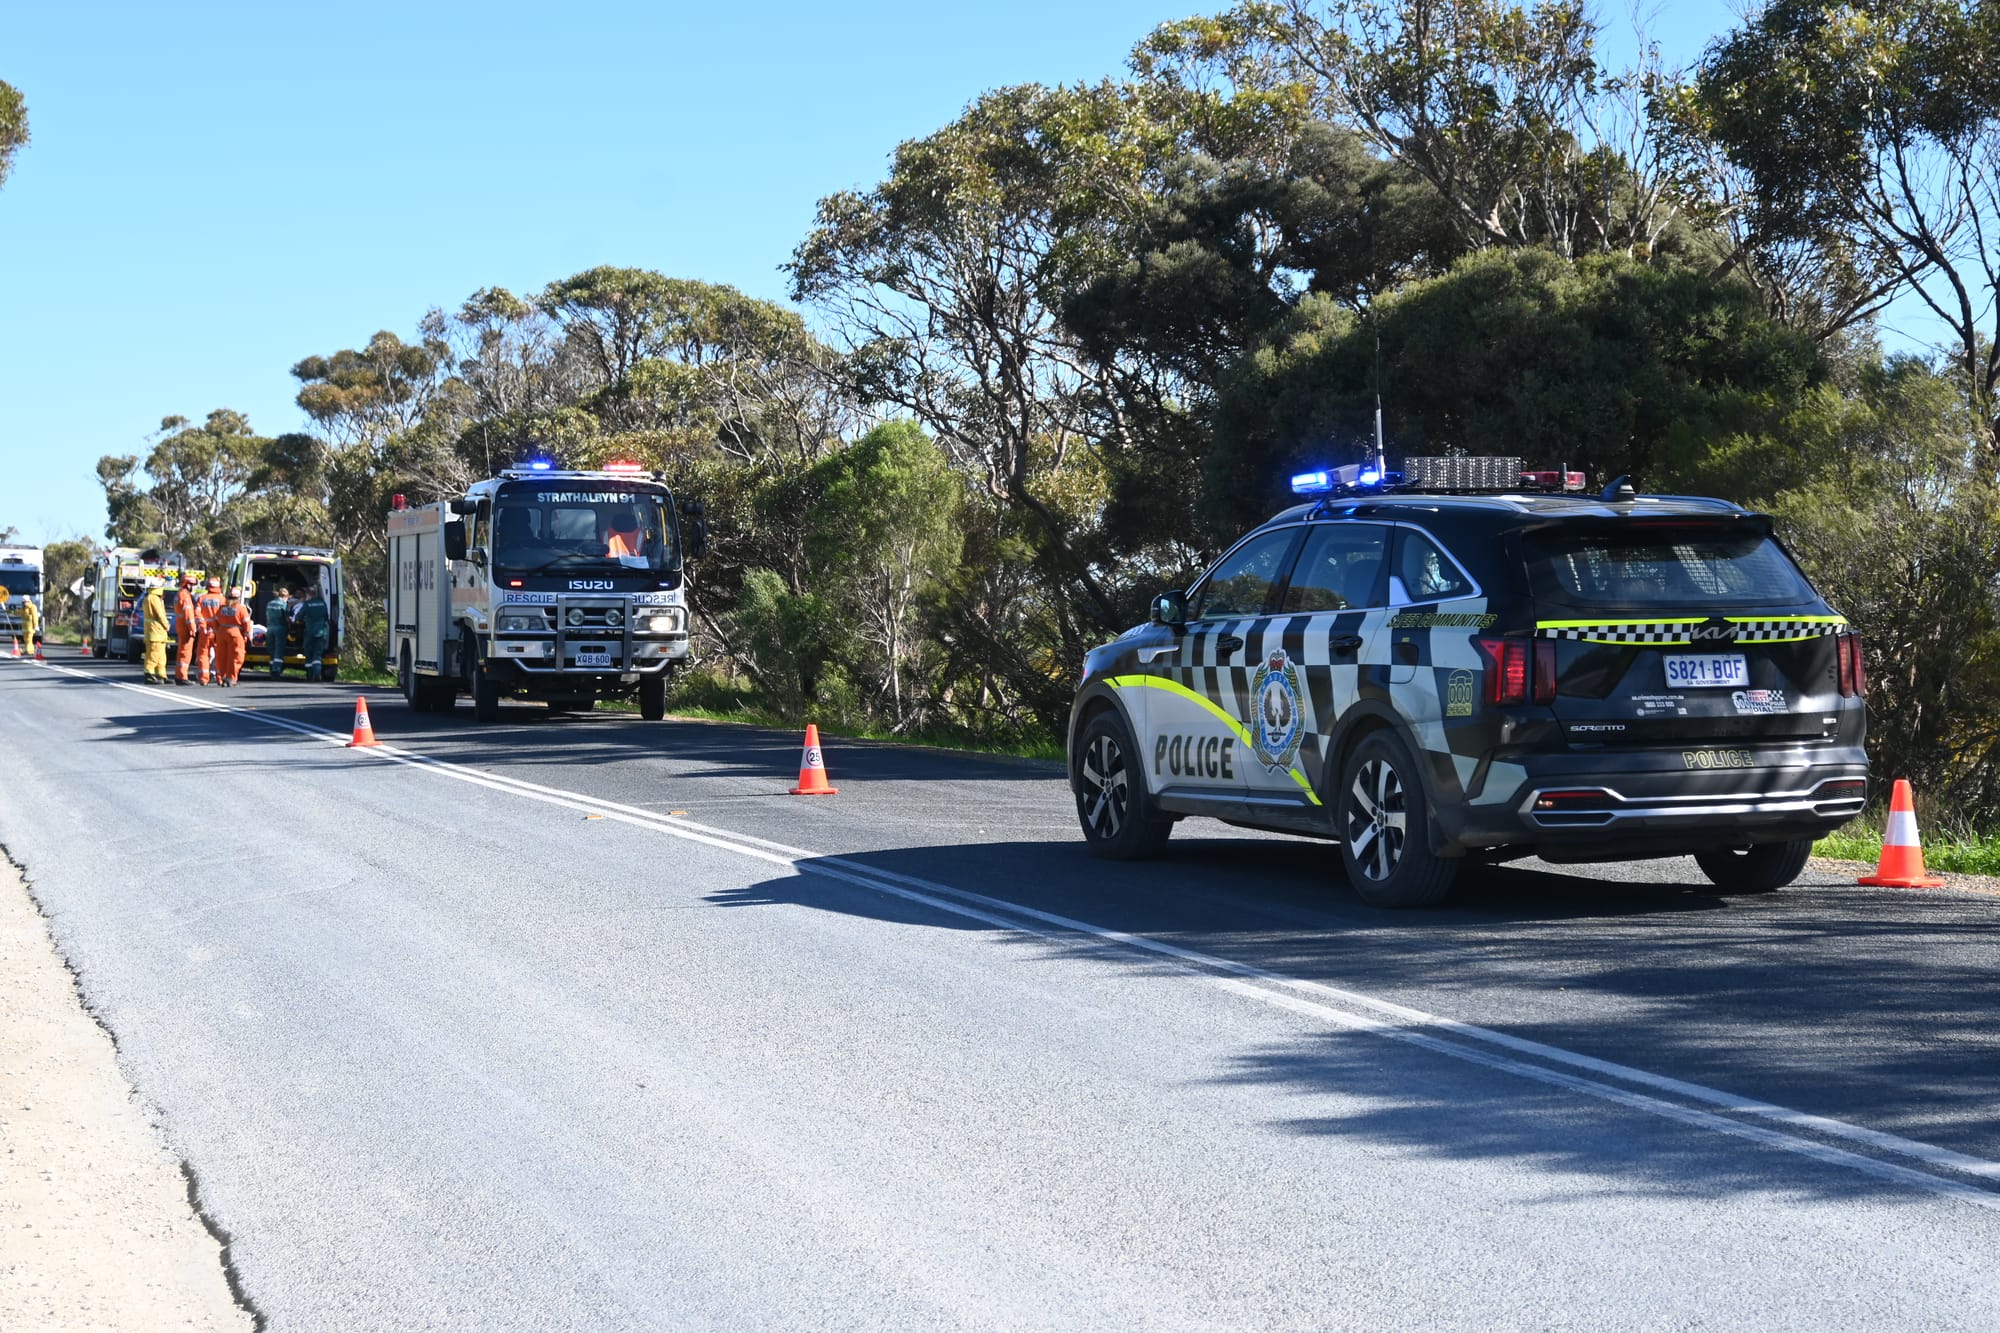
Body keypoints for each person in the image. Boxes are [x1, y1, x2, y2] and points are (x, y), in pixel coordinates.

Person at [211, 586, 252, 686]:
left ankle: (222, 677)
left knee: (222, 656)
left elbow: (215, 621)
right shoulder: (241, 608)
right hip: (235, 634)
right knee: (235, 657)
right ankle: (231, 678)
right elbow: (246, 624)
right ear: (238, 597)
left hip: (221, 633)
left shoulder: (222, 608)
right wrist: (247, 635)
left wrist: (217, 633)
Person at [195, 578, 225, 685]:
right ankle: (220, 678)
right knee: (220, 655)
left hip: (205, 631)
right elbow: (224, 616)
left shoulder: (202, 598)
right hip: (218, 632)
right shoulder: (222, 599)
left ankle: (204, 678)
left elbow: (197, 614)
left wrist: (203, 626)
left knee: (203, 654)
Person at [140, 579, 170, 684]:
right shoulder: (154, 598)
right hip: (156, 632)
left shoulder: (149, 598)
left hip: (156, 633)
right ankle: (149, 674)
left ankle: (161, 675)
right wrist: (166, 625)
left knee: (161, 656)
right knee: (154, 654)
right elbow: (160, 614)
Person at [299, 582, 330, 682]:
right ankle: (317, 673)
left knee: (309, 653)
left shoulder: (307, 604)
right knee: (317, 654)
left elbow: (299, 616)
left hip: (310, 632)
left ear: (308, 594)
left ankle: (310, 674)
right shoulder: (323, 603)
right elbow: (326, 617)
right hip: (321, 632)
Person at [173, 573, 200, 686]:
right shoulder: (185, 597)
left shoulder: (179, 594)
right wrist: (193, 629)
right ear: (187, 584)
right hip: (186, 628)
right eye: (192, 585)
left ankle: (179, 675)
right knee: (185, 652)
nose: (193, 587)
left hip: (181, 626)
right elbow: (188, 615)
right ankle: (182, 676)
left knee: (182, 651)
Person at [265, 585, 292, 677]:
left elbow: (267, 616)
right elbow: (287, 618)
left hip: (270, 628)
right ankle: (276, 670)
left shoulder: (270, 603)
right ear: (285, 596)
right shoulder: (284, 605)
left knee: (271, 650)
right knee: (278, 650)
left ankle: (271, 667)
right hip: (280, 629)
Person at [18, 594, 39, 658]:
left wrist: (36, 626)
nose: (23, 603)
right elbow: (17, 612)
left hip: (30, 628)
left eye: (24, 602)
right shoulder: (23, 609)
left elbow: (35, 617)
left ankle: (29, 651)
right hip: (24, 629)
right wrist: (8, 611)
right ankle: (31, 651)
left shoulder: (32, 607)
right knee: (26, 640)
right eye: (23, 602)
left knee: (29, 640)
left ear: (27, 601)